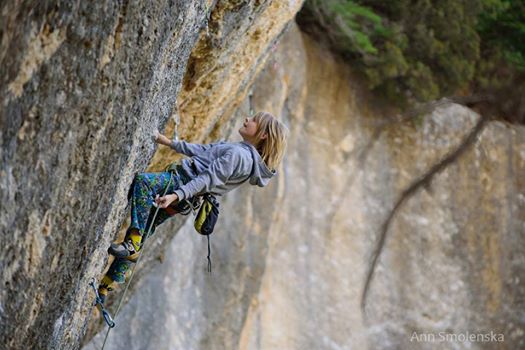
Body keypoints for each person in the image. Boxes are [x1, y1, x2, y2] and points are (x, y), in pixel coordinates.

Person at [97, 111, 289, 303]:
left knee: (143, 183)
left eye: (253, 120)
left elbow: (208, 179)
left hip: (182, 184)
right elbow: (203, 151)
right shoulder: (241, 152)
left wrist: (175, 194)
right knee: (146, 229)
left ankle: (132, 243)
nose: (247, 119)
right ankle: (107, 285)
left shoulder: (238, 154)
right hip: (186, 199)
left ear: (263, 134)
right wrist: (169, 143)